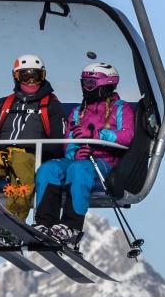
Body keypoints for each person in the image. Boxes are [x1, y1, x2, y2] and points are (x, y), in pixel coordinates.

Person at [33, 62, 135, 244]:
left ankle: (71, 227)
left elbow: (127, 136)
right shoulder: (78, 112)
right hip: (78, 160)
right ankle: (45, 223)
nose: (85, 88)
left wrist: (96, 135)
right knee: (49, 169)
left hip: (105, 162)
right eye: (83, 83)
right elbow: (69, 140)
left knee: (79, 170)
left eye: (90, 84)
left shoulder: (121, 108)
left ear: (105, 85)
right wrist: (75, 152)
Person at [0, 54, 67, 229]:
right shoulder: (3, 104)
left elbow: (58, 142)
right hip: (2, 157)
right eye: (25, 76)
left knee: (21, 161)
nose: (31, 81)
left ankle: (14, 218)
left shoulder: (51, 105)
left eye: (36, 75)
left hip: (30, 158)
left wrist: (28, 150)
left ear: (43, 76)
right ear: (16, 77)